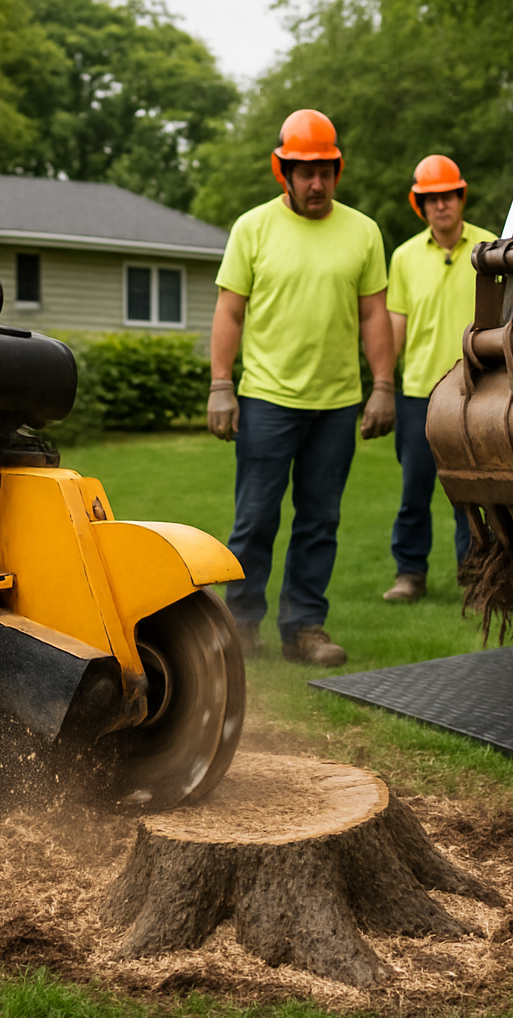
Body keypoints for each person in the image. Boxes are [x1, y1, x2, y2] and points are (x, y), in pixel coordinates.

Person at [206, 108, 396, 666]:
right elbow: (229, 312)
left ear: (338, 170)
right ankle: (239, 625)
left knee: (320, 520)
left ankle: (304, 628)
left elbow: (374, 315)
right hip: (266, 399)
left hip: (336, 405)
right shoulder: (253, 228)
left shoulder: (363, 232)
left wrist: (383, 385)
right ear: (282, 171)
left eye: (326, 171)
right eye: (305, 171)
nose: (317, 183)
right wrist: (222, 385)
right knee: (256, 517)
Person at [383, 155, 496, 602]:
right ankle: (409, 574)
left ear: (460, 197)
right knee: (414, 491)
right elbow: (396, 324)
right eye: (431, 199)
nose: (441, 205)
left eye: (447, 195)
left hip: (476, 389)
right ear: (420, 205)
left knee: (472, 492)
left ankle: (477, 574)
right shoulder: (405, 257)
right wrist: (382, 387)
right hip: (418, 395)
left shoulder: (489, 247)